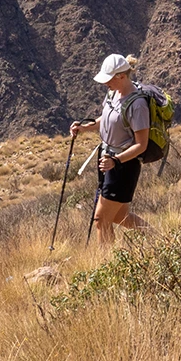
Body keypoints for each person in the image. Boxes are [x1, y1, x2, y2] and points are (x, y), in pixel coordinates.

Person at [70, 53, 152, 247]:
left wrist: (116, 161)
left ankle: (106, 262)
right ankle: (159, 239)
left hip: (123, 166)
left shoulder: (138, 105)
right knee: (120, 216)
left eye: (108, 79)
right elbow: (106, 119)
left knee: (101, 219)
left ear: (121, 76)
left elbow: (141, 145)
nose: (105, 83)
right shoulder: (113, 94)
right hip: (108, 161)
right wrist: (85, 128)